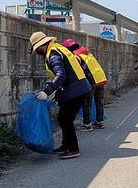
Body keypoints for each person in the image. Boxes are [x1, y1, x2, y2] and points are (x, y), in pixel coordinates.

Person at [29, 31, 92, 159]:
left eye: (38, 50)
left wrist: (47, 92)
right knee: (63, 118)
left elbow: (61, 75)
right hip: (78, 87)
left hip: (76, 89)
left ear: (42, 46)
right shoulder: (58, 48)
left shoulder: (53, 54)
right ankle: (66, 145)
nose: (38, 53)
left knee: (65, 119)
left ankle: (73, 149)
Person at [62, 39, 107, 131]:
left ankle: (87, 124)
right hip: (101, 79)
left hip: (91, 81)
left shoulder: (75, 57)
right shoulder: (87, 53)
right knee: (99, 102)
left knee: (86, 103)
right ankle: (100, 122)